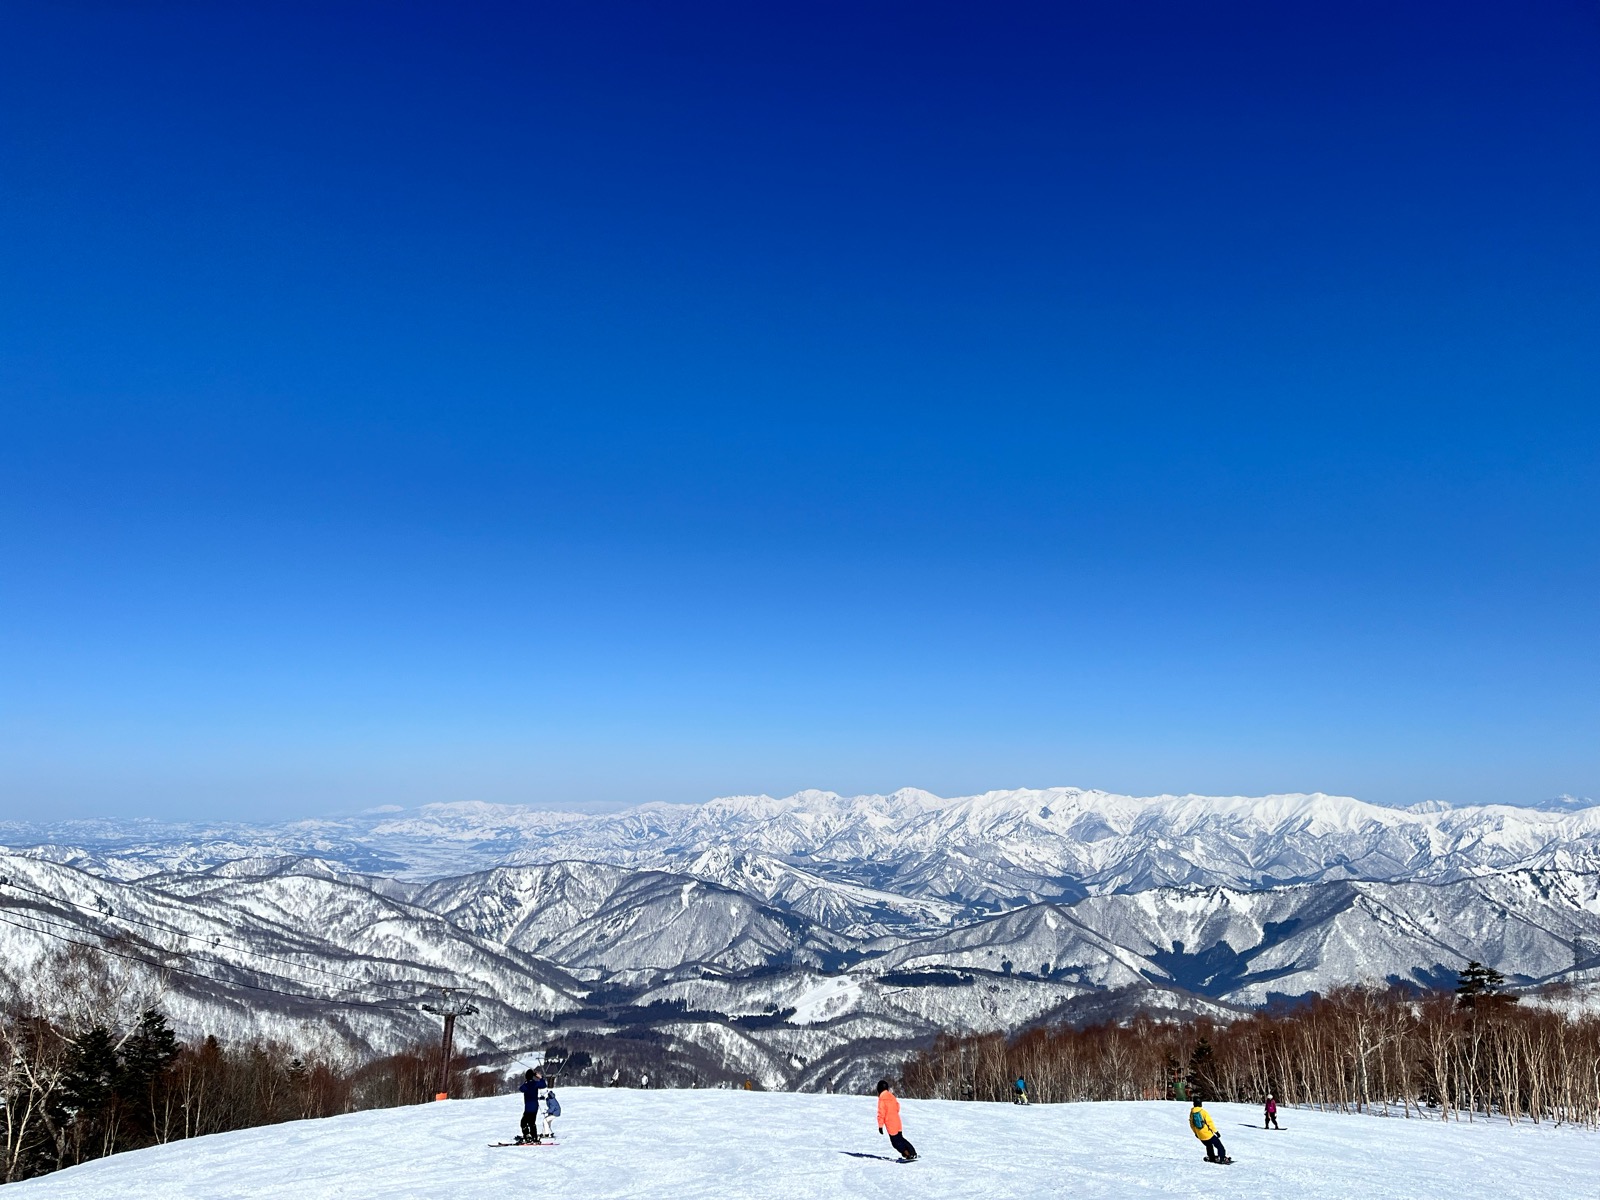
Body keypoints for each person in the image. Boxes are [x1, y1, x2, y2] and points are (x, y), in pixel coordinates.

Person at [876, 1079, 918, 1163]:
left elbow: (881, 1113)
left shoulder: (882, 1099)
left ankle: (908, 1154)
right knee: (900, 1139)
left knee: (895, 1142)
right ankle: (912, 1152)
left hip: (890, 1123)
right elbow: (897, 1107)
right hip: (897, 1121)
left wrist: (880, 1126)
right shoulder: (891, 1096)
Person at [1188, 1096, 1230, 1163]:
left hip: (1200, 1135)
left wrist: (1196, 1133)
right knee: (1219, 1146)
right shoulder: (1203, 1112)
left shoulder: (1192, 1113)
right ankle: (1222, 1158)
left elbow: (1192, 1124)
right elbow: (1210, 1123)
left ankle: (1211, 1157)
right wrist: (1216, 1132)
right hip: (1208, 1134)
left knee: (1208, 1145)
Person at [517, 1069, 545, 1144]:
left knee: (523, 1123)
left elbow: (521, 1088)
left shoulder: (526, 1084)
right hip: (535, 1107)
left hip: (528, 1108)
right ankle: (534, 1137)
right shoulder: (535, 1083)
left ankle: (527, 1136)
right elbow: (543, 1084)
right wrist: (540, 1077)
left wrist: (526, 1082)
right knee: (532, 1123)